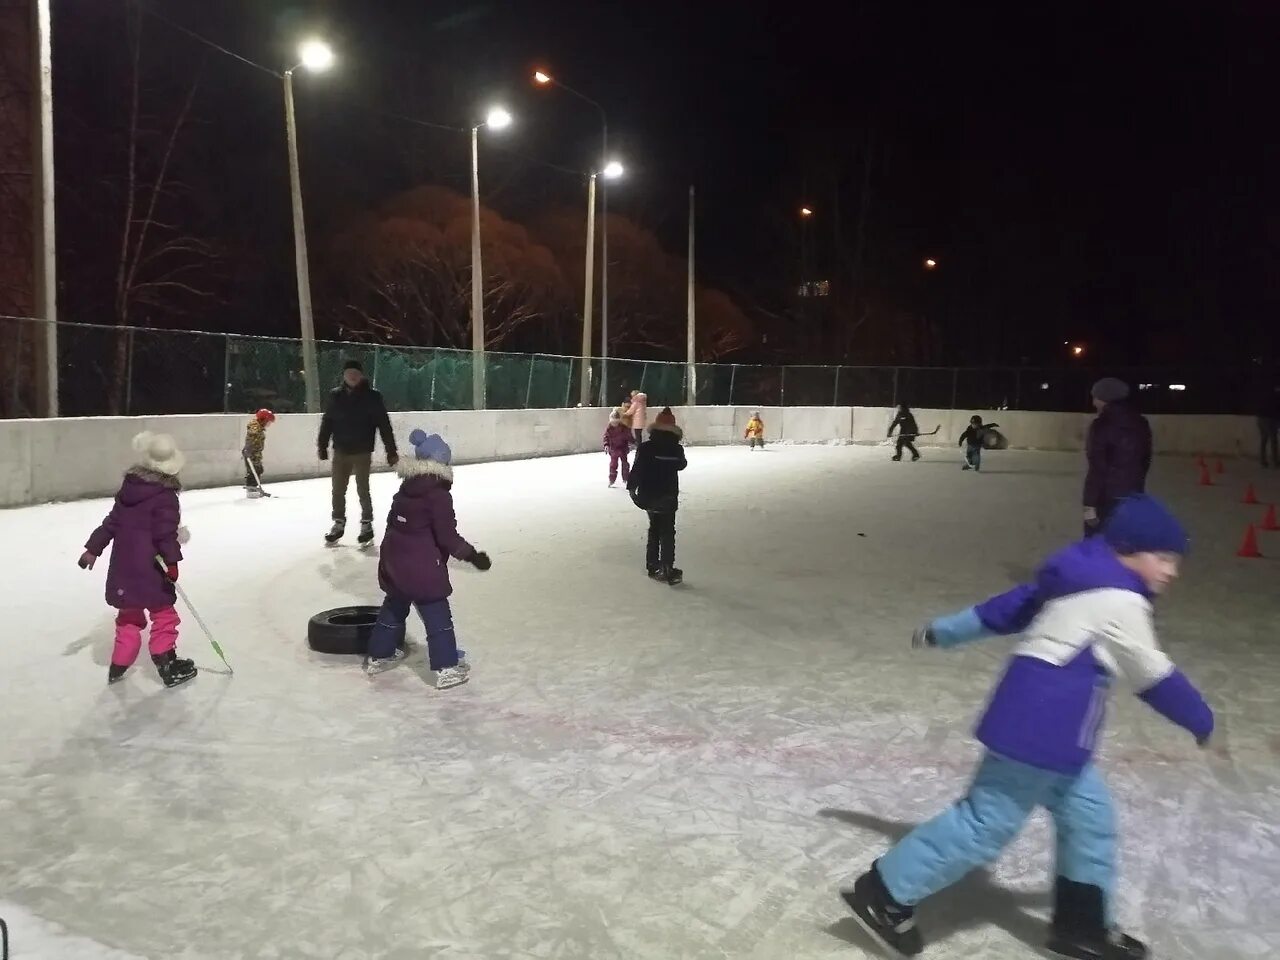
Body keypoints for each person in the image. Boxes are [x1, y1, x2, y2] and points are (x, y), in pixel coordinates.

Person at [841, 495, 1213, 960]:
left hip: (1056, 742)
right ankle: (884, 894)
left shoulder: (1074, 581)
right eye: (1163, 557)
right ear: (1128, 549)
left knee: (1089, 819)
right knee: (983, 825)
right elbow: (1151, 674)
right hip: (1039, 733)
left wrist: (945, 630)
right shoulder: (1121, 600)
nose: (1172, 571)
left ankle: (1082, 925)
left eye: (1175, 560)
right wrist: (1203, 720)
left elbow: (1006, 609)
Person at [364, 429, 491, 688]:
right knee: (438, 619)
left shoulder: (405, 489)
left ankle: (379, 656)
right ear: (442, 462)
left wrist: (389, 563)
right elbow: (447, 537)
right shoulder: (438, 495)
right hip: (422, 570)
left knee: (394, 609)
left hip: (395, 564)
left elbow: (392, 526)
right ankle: (446, 669)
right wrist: (473, 556)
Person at [78, 432, 197, 688]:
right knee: (164, 616)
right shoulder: (165, 497)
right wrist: (173, 562)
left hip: (124, 570)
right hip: (151, 570)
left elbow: (111, 523)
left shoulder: (129, 490)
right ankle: (167, 664)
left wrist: (92, 549)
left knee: (128, 617)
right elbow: (164, 535)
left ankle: (119, 664)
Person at [318, 360, 398, 546]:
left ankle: (366, 524)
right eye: (349, 373)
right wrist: (322, 445)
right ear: (344, 375)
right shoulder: (335, 396)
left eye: (355, 373)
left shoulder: (372, 397)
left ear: (361, 375)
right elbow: (327, 421)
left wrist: (391, 450)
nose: (352, 376)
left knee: (363, 488)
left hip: (362, 450)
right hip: (341, 450)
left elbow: (384, 425)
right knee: (338, 489)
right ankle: (338, 522)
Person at [1084, 378, 1151, 535]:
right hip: (1133, 495)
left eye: (1095, 397)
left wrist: (1089, 503)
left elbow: (1097, 468)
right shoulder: (1141, 423)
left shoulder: (1101, 425)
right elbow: (1145, 461)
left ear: (1104, 399)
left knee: (1097, 544)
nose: (1093, 402)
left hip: (1106, 497)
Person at [628, 407, 687, 584]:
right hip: (668, 495)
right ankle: (667, 566)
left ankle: (653, 565)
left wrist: (632, 488)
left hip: (649, 495)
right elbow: (682, 465)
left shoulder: (646, 448)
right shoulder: (676, 449)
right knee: (668, 530)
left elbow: (637, 469)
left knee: (654, 528)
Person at [242, 408, 275, 497]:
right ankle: (251, 489)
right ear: (263, 420)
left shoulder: (259, 427)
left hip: (255, 453)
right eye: (268, 422)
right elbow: (252, 436)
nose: (269, 424)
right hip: (251, 453)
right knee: (254, 470)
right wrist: (247, 450)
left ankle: (253, 487)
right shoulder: (255, 428)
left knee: (258, 469)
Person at [603, 408, 633, 487]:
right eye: (613, 422)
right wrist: (606, 445)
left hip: (623, 448)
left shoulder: (624, 428)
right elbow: (606, 437)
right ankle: (612, 480)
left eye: (616, 422)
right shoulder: (609, 428)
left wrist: (632, 443)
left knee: (625, 464)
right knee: (613, 465)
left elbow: (629, 436)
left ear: (619, 421)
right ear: (610, 421)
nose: (614, 424)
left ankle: (626, 478)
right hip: (613, 449)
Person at [1257, 381, 1280, 468]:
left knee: (1264, 440)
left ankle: (1263, 460)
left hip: (1261, 418)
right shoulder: (1275, 396)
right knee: (1273, 440)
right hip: (1269, 418)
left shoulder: (1266, 393)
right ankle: (1275, 461)